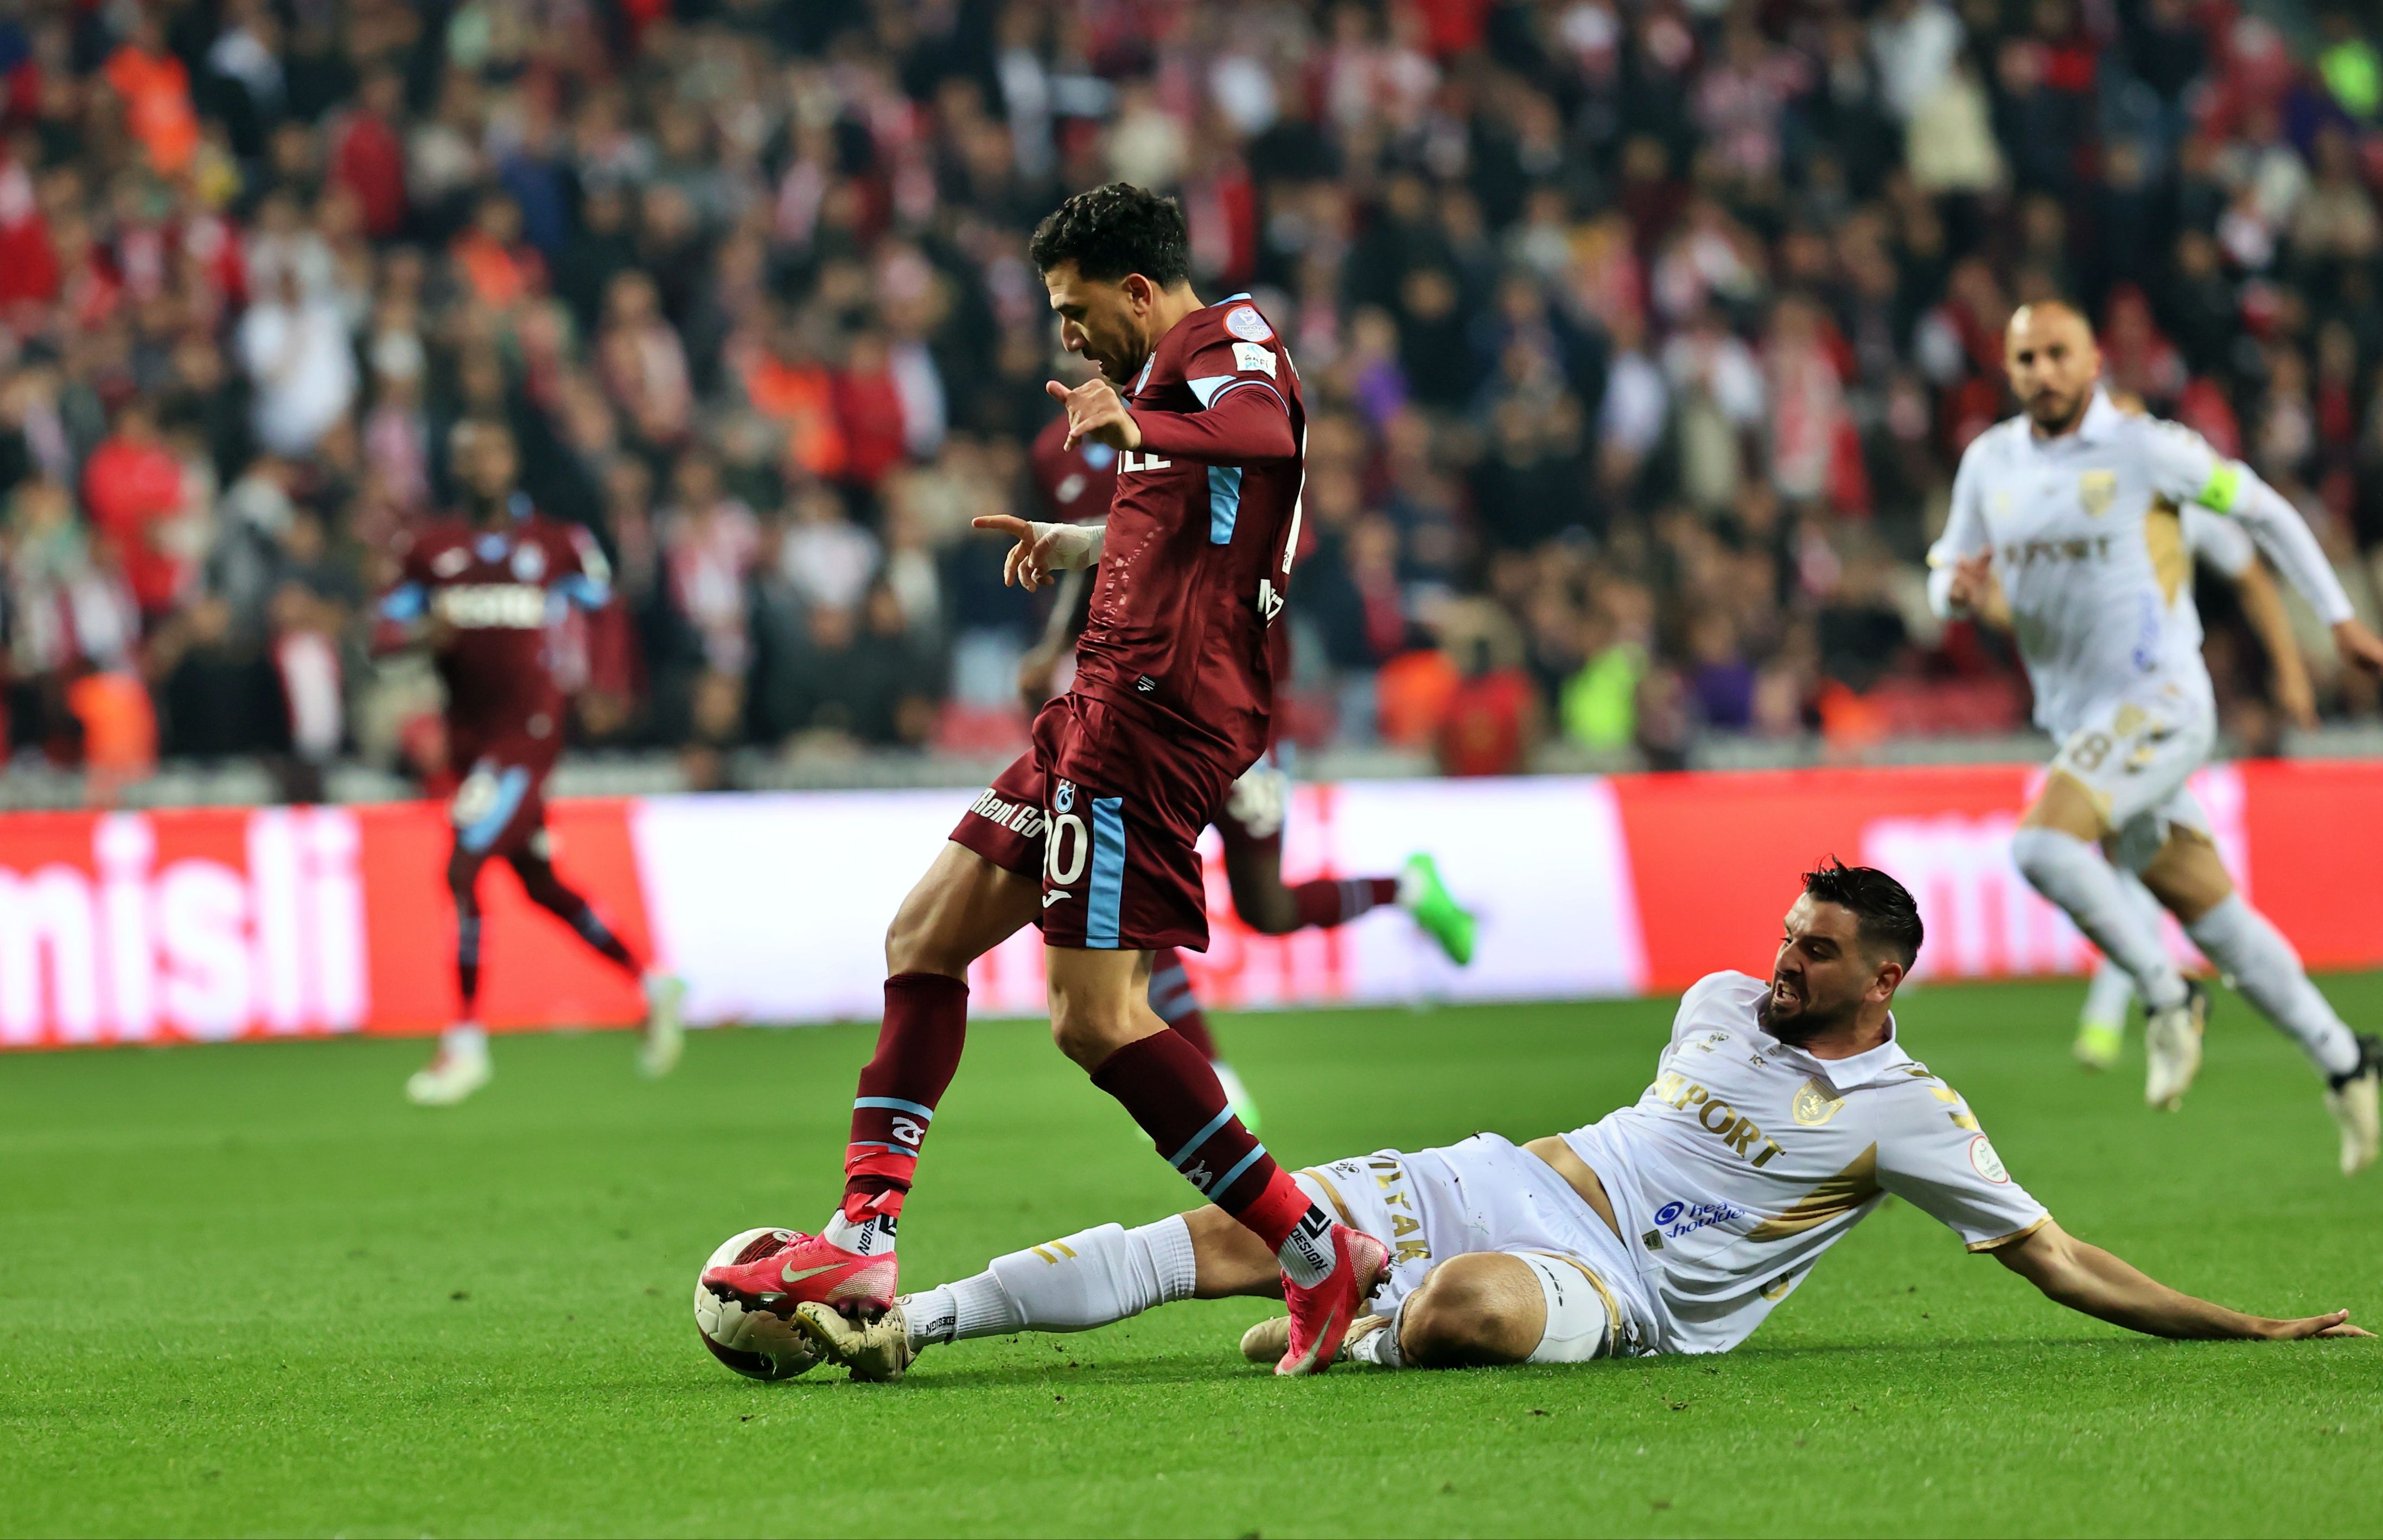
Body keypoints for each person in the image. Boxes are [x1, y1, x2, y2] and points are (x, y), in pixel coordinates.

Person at [780, 862, 2369, 1382]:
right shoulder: (1712, 1006)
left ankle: (1361, 1322)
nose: (1781, 956)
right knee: (1210, 1238)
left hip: (1629, 1294)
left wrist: (2243, 1325)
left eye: (1816, 948)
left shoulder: (1911, 1116)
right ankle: (902, 1317)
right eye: (1785, 930)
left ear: (1885, 975)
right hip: (1489, 1176)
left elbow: (2059, 1258)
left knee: (1467, 1314)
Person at [703, 183, 1385, 1376]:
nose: (1066, 335)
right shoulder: (1176, 379)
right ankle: (863, 1238)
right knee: (921, 935)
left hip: (1156, 720)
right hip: (1096, 704)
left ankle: (1319, 1248)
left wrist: (1135, 427)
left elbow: (1262, 442)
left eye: (1076, 311)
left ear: (1136, 289)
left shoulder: (1225, 339)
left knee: (1096, 1017)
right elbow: (1197, 514)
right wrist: (1085, 539)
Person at [1928, 301, 2383, 1173]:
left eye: (2059, 353)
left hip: (2161, 701)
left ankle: (2169, 999)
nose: (2044, 372)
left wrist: (2339, 620)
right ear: (2010, 368)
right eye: (2027, 358)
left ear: (2094, 358)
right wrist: (1956, 589)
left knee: (2042, 846)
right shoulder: (1989, 462)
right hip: (2081, 723)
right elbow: (1948, 575)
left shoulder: (2147, 448)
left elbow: (2264, 513)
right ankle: (2347, 1058)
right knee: (2217, 915)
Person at [1018, 407, 1479, 1130]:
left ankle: (1408, 886)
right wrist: (1057, 646)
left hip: (1244, 710)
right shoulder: (1056, 448)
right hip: (1146, 707)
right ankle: (1217, 1076)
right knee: (1130, 881)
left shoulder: (1224, 432)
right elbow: (1094, 563)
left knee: (1268, 906)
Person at [380, 419, 686, 1106]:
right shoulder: (430, 549)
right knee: (539, 882)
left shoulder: (556, 543)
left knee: (461, 864)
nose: (482, 464)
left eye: (492, 451)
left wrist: (611, 688)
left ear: (512, 460)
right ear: (453, 467)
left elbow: (608, 613)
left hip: (531, 733)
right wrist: (419, 634)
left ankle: (463, 1044)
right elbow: (381, 633)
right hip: (469, 743)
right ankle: (650, 982)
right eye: (467, 455)